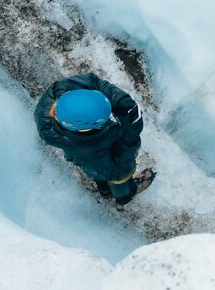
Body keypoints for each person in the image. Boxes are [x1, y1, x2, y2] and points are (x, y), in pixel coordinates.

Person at [34, 73, 155, 206]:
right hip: (97, 159)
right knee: (115, 178)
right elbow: (117, 172)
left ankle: (104, 191)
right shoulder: (85, 150)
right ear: (87, 127)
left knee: (98, 173)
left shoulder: (63, 94)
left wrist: (123, 103)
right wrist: (129, 141)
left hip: (93, 152)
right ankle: (124, 196)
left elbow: (94, 83)